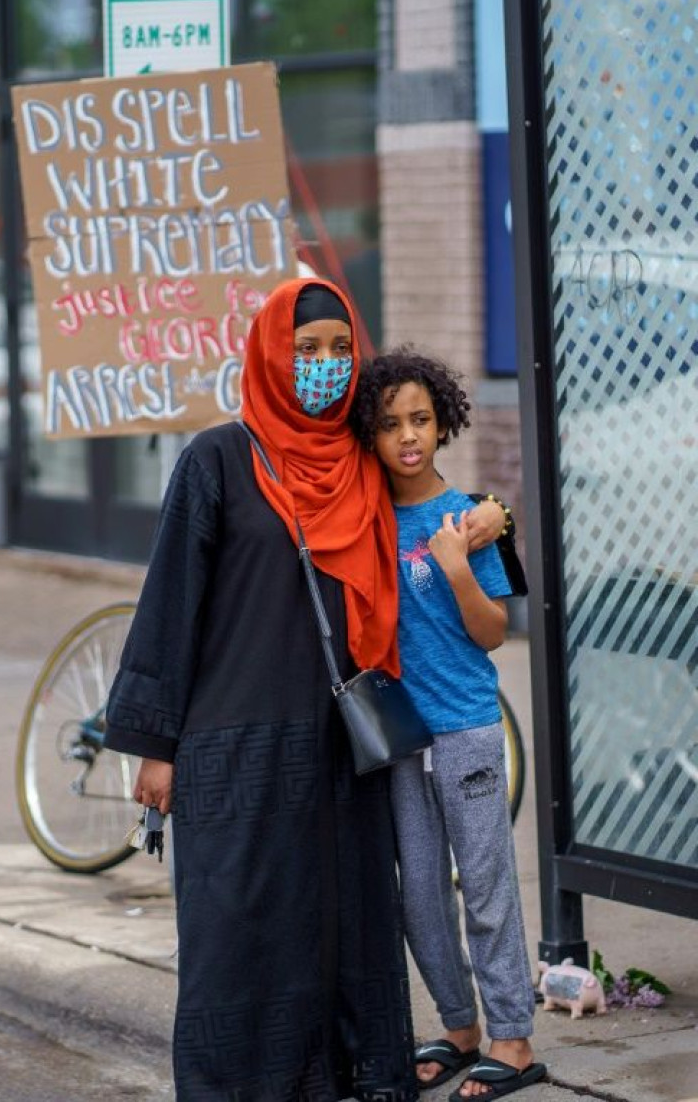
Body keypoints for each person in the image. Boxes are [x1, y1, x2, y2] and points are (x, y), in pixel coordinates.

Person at [105, 279, 507, 1102]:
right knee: (238, 924)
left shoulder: (363, 462)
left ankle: (347, 1077)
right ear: (270, 354)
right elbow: (169, 602)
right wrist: (152, 744)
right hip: (234, 746)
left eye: (338, 348)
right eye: (306, 348)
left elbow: (437, 494)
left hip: (340, 747)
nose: (324, 364)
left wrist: (490, 512)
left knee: (342, 923)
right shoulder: (218, 459)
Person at [351, 348, 546, 1101]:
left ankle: (514, 1038)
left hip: (465, 730)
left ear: (444, 424)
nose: (407, 437)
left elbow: (495, 631)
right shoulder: (367, 518)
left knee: (487, 887)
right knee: (419, 894)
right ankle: (460, 1027)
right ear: (369, 435)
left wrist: (459, 561)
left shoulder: (467, 517)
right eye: (391, 424)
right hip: (401, 739)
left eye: (421, 420)